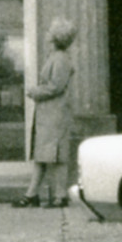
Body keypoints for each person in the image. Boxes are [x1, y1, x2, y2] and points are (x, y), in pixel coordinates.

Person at [14, 17, 77, 208]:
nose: (47, 32)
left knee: (54, 154)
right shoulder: (58, 57)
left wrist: (35, 92)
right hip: (50, 112)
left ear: (56, 36)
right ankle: (38, 194)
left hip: (54, 113)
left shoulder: (59, 59)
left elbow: (56, 86)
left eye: (50, 30)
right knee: (45, 154)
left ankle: (53, 195)